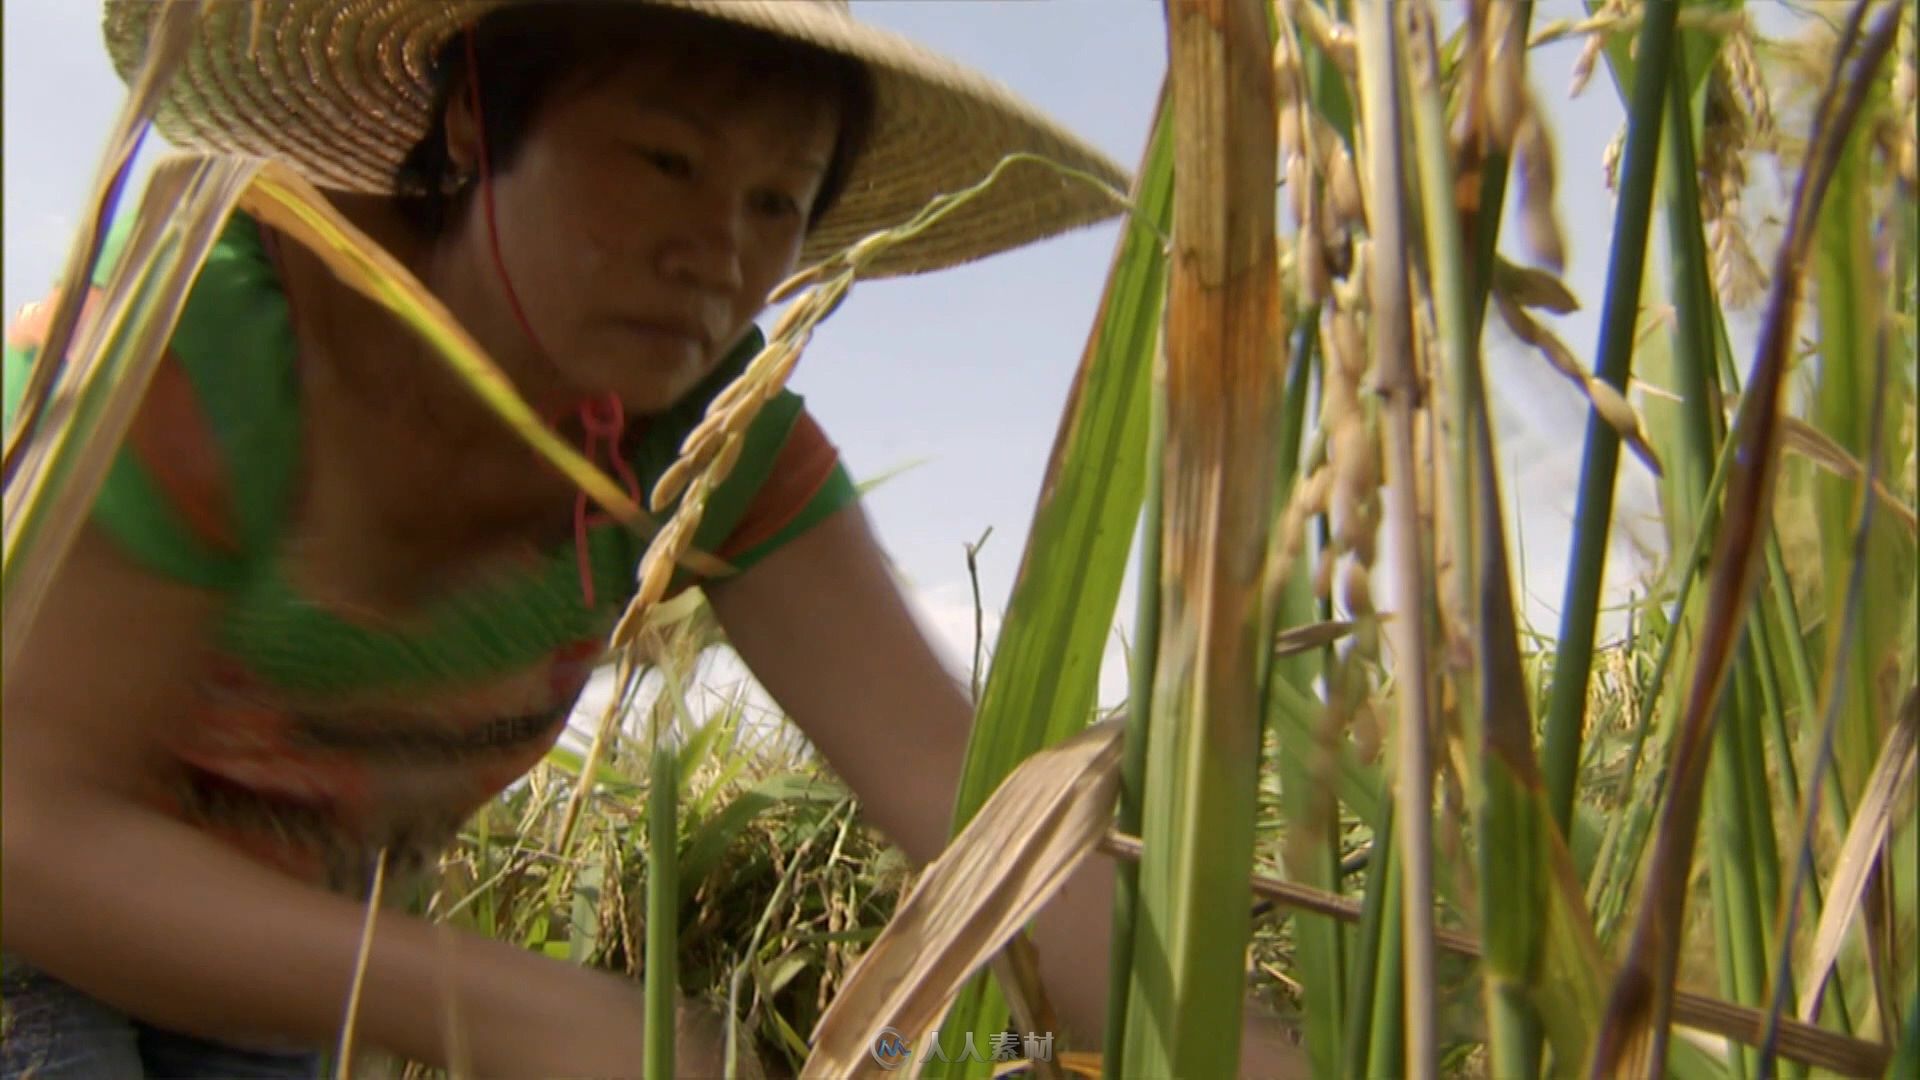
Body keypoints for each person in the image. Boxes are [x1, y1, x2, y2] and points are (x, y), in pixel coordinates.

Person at [2, 2, 1302, 1077]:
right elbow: (29, 828)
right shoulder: (208, 329)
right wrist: (523, 1009)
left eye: (778, 202)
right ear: (477, 118)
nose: (717, 256)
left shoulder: (711, 447)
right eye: (664, 163)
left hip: (266, 991)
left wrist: (1231, 1054)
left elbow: (991, 835)